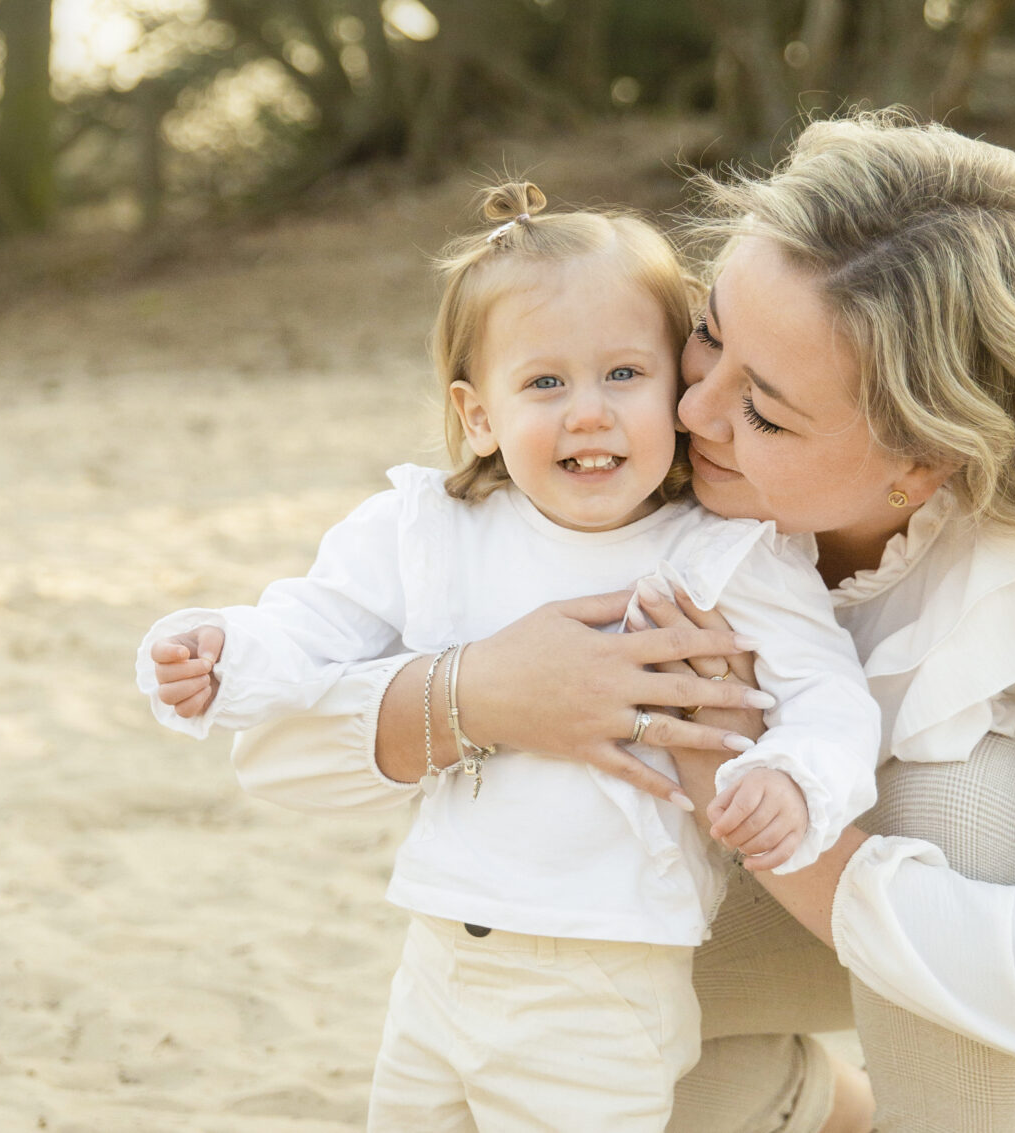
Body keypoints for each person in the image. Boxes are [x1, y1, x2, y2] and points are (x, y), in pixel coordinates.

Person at [221, 114, 1015, 1133]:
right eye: (706, 336)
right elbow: (268, 755)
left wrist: (726, 787)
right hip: (799, 832)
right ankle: (816, 1104)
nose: (692, 412)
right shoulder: (631, 444)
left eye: (766, 409)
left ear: (923, 457)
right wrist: (482, 693)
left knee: (952, 794)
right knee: (557, 984)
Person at [135, 182, 885, 1132]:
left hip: (605, 976)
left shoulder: (722, 555)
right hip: (441, 953)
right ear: (478, 413)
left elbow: (830, 695)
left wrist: (792, 774)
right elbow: (315, 621)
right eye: (544, 383)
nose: (587, 413)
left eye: (623, 374)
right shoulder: (430, 528)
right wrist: (227, 650)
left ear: (679, 392)